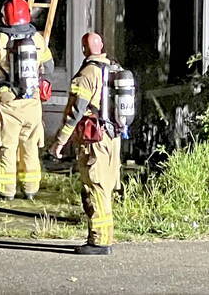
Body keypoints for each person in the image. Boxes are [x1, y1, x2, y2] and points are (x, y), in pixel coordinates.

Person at [49, 32, 122, 255]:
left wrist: (59, 142)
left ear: (83, 49)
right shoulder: (113, 68)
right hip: (112, 138)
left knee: (94, 188)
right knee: (105, 188)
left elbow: (75, 112)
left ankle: (99, 242)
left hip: (94, 141)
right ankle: (106, 238)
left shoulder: (87, 74)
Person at [0, 0, 54, 200]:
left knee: (7, 146)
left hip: (9, 101)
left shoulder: (0, 40)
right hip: (33, 102)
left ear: (5, 18)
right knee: (29, 145)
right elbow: (49, 68)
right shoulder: (37, 39)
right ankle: (30, 189)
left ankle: (5, 190)